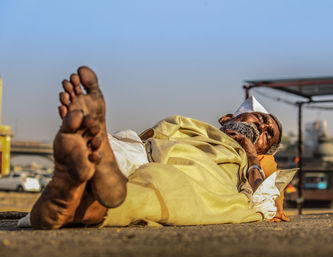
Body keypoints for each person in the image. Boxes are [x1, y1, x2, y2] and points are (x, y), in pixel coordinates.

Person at [22, 66, 294, 229]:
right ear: (226, 119)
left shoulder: (250, 161)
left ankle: (71, 200)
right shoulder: (190, 125)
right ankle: (92, 164)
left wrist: (250, 155)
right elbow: (150, 138)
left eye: (267, 137)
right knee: (119, 150)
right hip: (142, 150)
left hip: (199, 173)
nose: (261, 130)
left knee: (173, 186)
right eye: (260, 120)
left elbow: (263, 198)